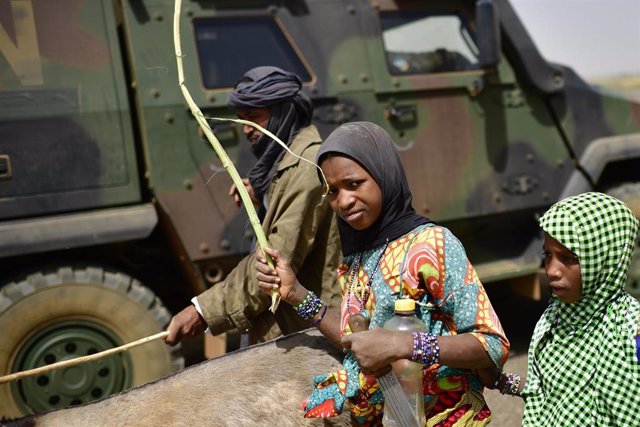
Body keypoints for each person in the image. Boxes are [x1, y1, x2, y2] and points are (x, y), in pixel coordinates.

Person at [256, 122, 510, 425]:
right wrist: (296, 294)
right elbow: (359, 341)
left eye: (354, 184)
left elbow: (491, 344)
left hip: (445, 417)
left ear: (383, 174)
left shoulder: (431, 245)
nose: (344, 201)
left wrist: (405, 344)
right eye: (333, 192)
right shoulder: (359, 255)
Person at [164, 66, 341, 346]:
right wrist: (266, 196)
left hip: (309, 337)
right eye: (241, 120)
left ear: (283, 114)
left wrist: (202, 311)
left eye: (253, 118)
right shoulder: (285, 165)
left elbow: (272, 265)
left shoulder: (306, 167)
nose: (246, 130)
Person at [487, 192, 640, 426]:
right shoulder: (555, 318)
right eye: (548, 255)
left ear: (604, 259)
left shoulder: (630, 331)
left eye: (568, 258)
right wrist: (501, 381)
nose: (551, 271)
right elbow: (554, 393)